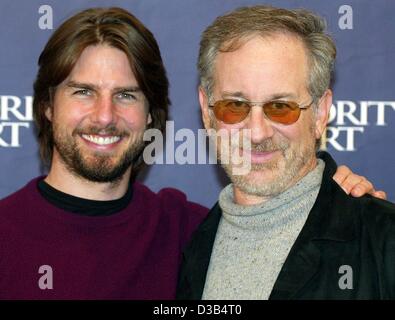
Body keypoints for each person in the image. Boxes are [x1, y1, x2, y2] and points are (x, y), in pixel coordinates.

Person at [0, 7, 385, 300]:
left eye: (125, 95)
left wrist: (337, 203)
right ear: (48, 105)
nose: (104, 116)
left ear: (150, 113)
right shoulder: (6, 232)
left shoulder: (186, 229)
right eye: (83, 91)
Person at [177, 5, 395, 300]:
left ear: (320, 113)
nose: (257, 133)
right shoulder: (188, 245)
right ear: (207, 111)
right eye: (235, 106)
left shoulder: (383, 242)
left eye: (280, 107)